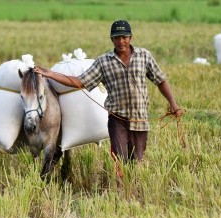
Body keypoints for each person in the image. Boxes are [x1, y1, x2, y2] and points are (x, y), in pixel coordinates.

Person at [34, 19, 182, 164]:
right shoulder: (103, 62)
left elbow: (160, 80)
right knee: (120, 160)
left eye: (124, 37)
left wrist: (173, 104)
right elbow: (80, 81)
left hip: (140, 118)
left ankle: (133, 187)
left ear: (131, 37)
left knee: (137, 162)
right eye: (116, 38)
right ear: (112, 39)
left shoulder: (144, 56)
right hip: (117, 119)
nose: (121, 41)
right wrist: (51, 74)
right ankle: (119, 188)